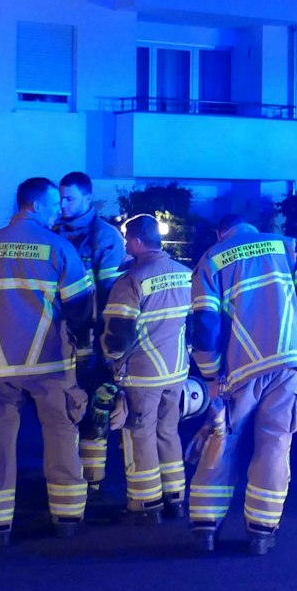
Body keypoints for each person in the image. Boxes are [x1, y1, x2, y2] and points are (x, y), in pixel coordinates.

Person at [186, 210, 297, 555]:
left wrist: (210, 375)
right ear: (251, 228)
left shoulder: (211, 260)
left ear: (222, 235)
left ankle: (206, 527)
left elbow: (205, 326)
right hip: (289, 361)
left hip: (239, 369)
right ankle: (262, 532)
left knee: (223, 440)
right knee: (275, 443)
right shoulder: (288, 247)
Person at [0, 177, 95, 546]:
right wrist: (81, 348)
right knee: (60, 435)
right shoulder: (58, 248)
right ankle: (68, 516)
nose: (59, 210)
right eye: (54, 204)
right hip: (51, 364)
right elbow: (80, 308)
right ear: (36, 206)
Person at [101, 215, 192, 523]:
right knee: (168, 432)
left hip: (142, 374)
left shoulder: (131, 280)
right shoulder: (185, 274)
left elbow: (118, 335)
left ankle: (145, 504)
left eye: (128, 239)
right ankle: (175, 497)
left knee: (139, 435)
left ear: (137, 241)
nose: (125, 244)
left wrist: (111, 360)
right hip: (176, 372)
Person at [56, 172, 128, 493]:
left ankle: (93, 484)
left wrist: (106, 344)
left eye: (69, 198)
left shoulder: (105, 237)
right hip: (58, 341)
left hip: (91, 341)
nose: (62, 204)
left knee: (94, 415)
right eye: (60, 198)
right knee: (62, 413)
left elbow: (110, 293)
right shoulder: (54, 233)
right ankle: (69, 477)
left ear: (88, 198)